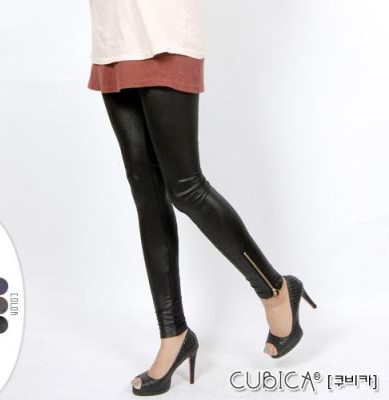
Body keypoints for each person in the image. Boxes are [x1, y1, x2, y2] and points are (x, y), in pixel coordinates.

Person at [87, 0, 317, 396]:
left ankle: (275, 290)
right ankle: (173, 334)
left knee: (186, 188)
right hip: (113, 35)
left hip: (164, 33)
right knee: (147, 196)